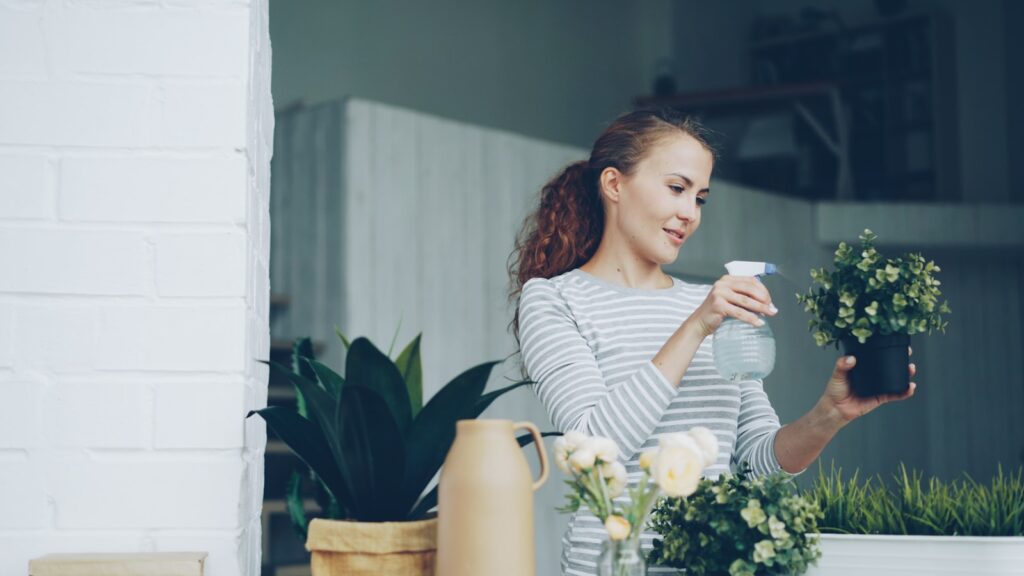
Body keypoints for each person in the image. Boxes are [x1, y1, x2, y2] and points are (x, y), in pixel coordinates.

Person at [507, 108, 917, 576]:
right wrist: (696, 327)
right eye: (677, 189)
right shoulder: (554, 299)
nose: (689, 213)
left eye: (701, 198)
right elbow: (594, 449)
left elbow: (758, 463)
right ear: (614, 184)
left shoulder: (710, 303)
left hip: (713, 565)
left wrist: (830, 415)